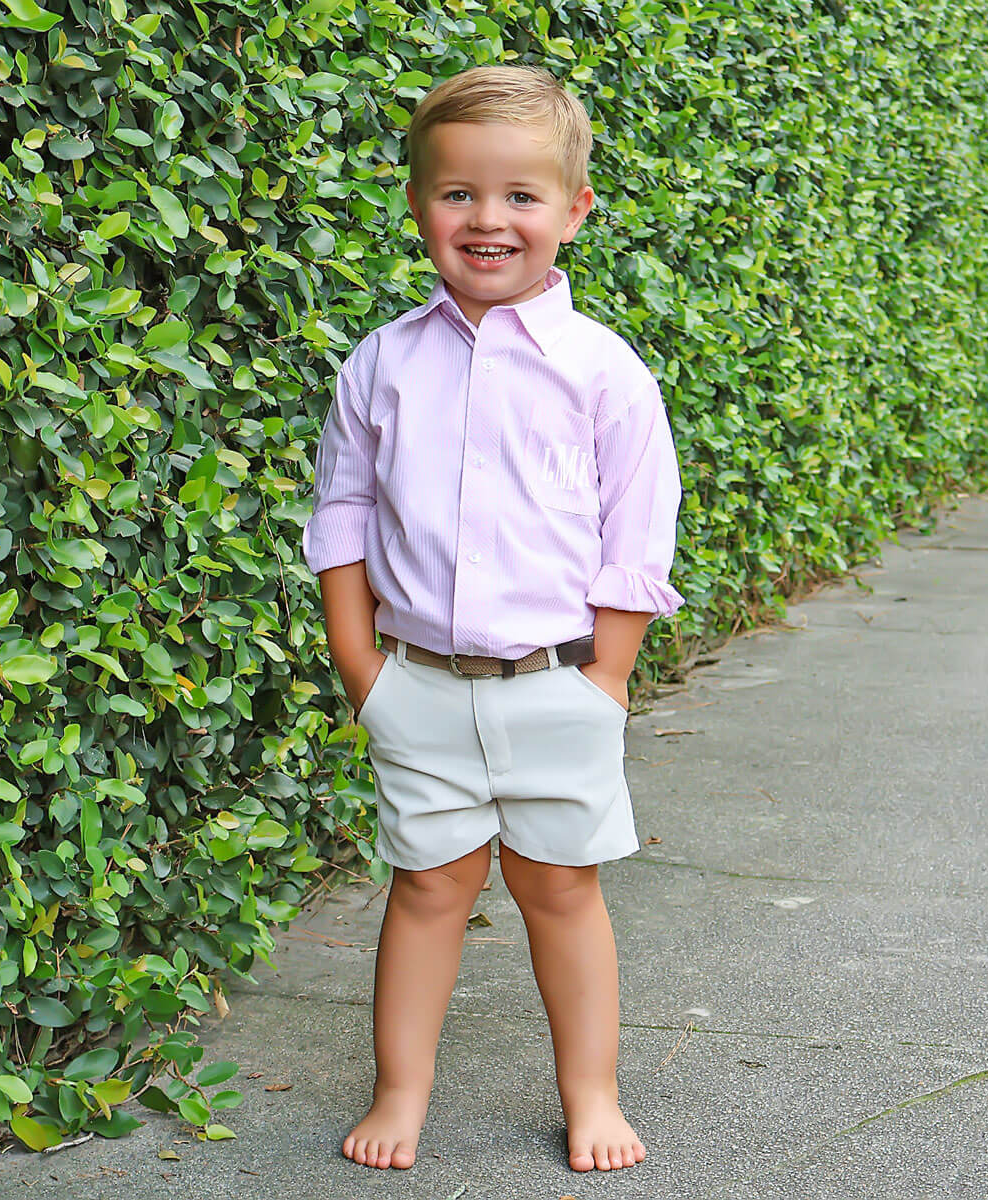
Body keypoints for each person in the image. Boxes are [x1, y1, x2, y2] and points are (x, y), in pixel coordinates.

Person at [302, 63, 683, 1174]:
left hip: (559, 683)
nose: (488, 219)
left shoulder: (605, 372)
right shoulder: (384, 363)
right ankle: (401, 1092)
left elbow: (635, 535)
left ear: (575, 210)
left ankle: (593, 1094)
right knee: (426, 888)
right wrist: (358, 660)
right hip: (417, 682)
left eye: (522, 195)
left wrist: (604, 679)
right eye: (458, 192)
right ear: (418, 201)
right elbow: (344, 506)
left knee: (562, 889)